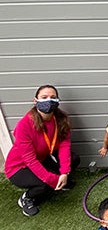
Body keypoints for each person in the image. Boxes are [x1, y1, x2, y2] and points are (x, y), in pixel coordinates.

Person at [4, 85, 80, 216]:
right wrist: (52, 179)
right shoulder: (24, 124)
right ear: (35, 100)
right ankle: (26, 198)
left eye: (53, 97)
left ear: (58, 101)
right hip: (18, 167)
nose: (49, 100)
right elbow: (30, 160)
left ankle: (61, 182)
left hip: (42, 158)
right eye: (44, 97)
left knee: (74, 159)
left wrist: (65, 172)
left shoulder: (61, 119)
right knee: (44, 185)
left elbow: (64, 146)